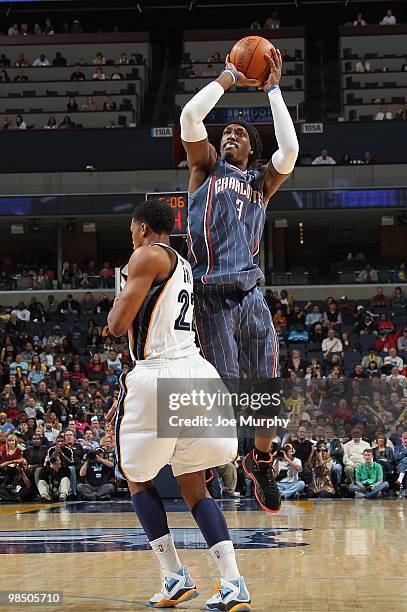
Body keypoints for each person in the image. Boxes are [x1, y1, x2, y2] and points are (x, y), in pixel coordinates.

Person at [107, 200, 249, 610]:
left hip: (160, 373)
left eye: (131, 228)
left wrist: (116, 306)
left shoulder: (145, 254)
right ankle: (232, 582)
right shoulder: (182, 262)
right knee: (193, 482)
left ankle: (173, 575)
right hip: (197, 371)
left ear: (140, 227)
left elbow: (117, 326)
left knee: (136, 476)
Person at [180, 46, 298, 516]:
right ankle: (211, 450)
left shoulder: (260, 184)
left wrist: (271, 88)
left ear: (251, 149)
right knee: (225, 387)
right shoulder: (205, 169)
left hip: (249, 291)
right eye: (225, 132)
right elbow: (191, 116)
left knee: (266, 384)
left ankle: (262, 459)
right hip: (210, 294)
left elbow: (289, 151)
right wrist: (229, 76)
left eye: (238, 134)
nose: (230, 135)